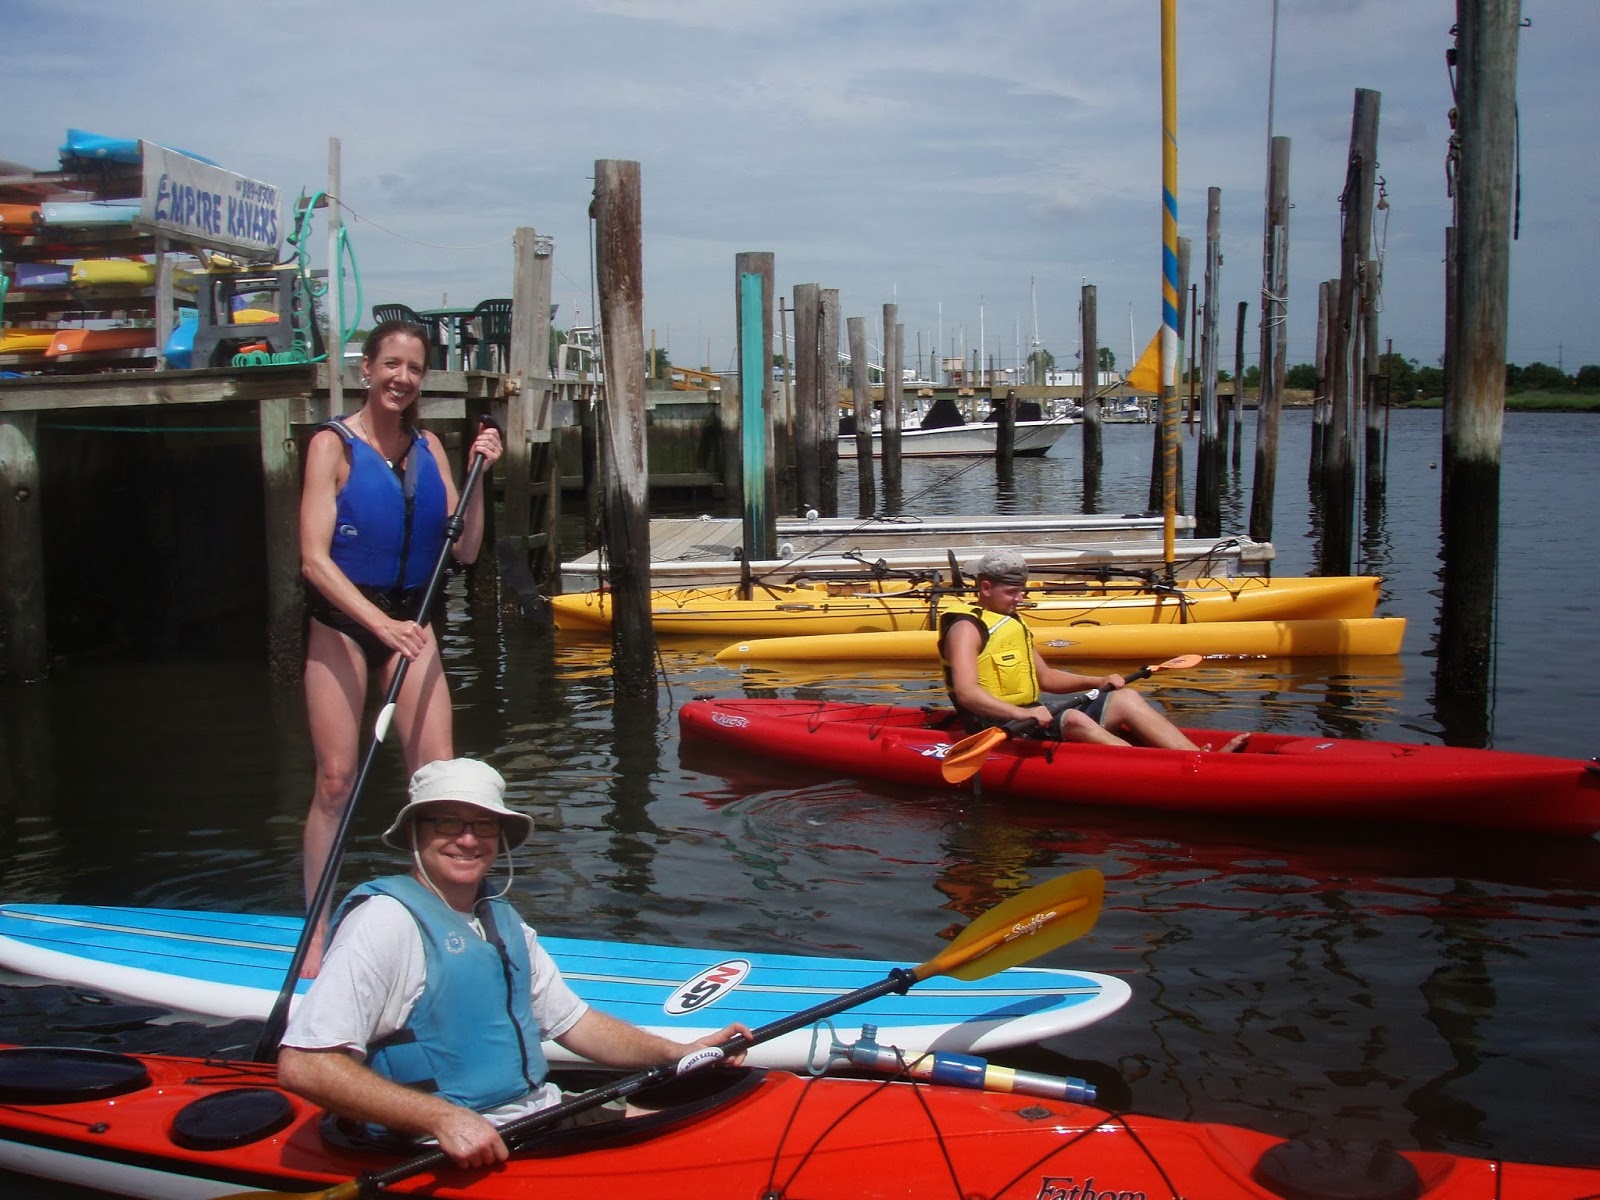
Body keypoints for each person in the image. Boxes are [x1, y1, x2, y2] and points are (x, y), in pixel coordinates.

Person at [278, 758, 750, 1169]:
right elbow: (305, 1066)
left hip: (538, 1117)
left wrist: (680, 1051)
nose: (468, 840)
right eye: (448, 822)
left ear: (500, 838)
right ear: (415, 832)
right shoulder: (384, 923)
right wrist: (440, 1117)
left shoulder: (501, 920)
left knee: (719, 1128)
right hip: (444, 1147)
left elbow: (576, 1024)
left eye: (484, 825)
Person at [298, 320, 504, 974]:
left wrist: (481, 475)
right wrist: (379, 627)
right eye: (391, 364)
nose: (402, 378)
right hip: (343, 620)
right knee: (336, 780)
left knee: (438, 785)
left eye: (413, 368)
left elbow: (466, 550)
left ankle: (437, 925)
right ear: (368, 369)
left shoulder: (433, 450)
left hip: (414, 620)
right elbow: (312, 561)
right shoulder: (333, 447)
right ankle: (317, 932)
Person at [939, 549, 1248, 752]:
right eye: (1011, 592)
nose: (1018, 599)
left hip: (1032, 716)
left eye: (1021, 591)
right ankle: (1161, 770)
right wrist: (1023, 713)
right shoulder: (966, 628)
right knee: (1073, 719)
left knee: (1124, 697)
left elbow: (1046, 678)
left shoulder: (1011, 622)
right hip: (995, 725)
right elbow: (967, 693)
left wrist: (1097, 682)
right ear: (985, 588)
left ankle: (1196, 758)